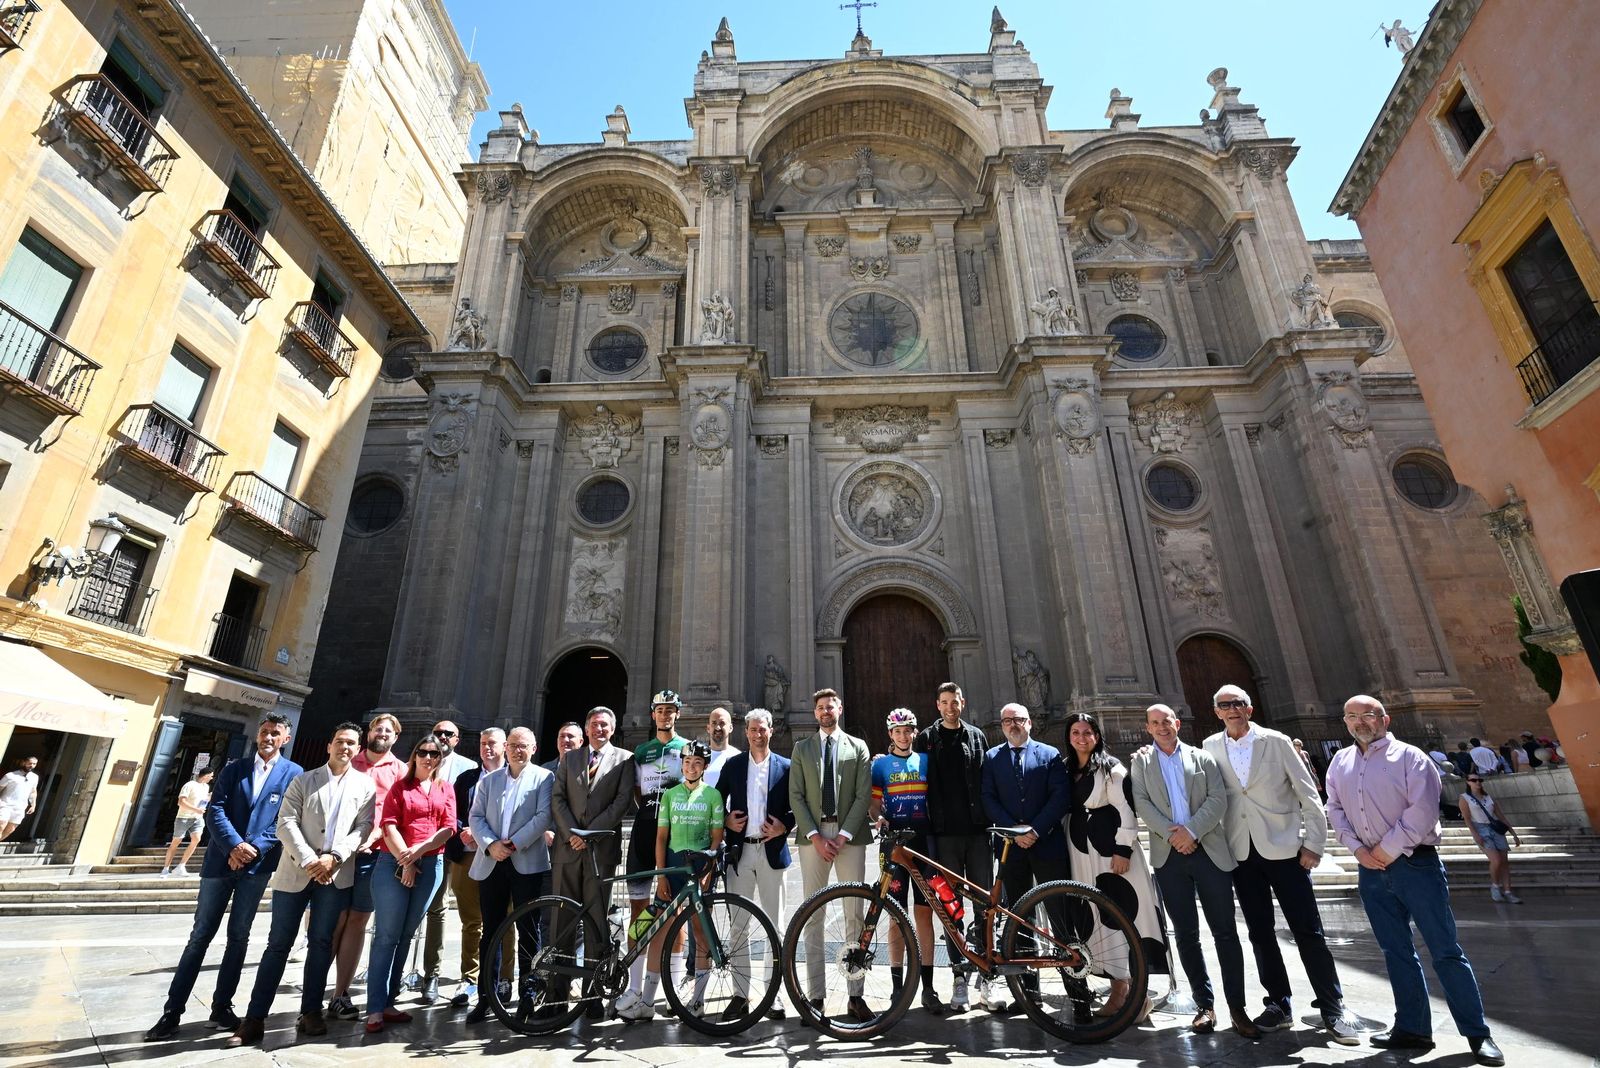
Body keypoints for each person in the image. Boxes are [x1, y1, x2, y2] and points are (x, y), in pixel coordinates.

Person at [1326, 696, 1505, 1066]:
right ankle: (1412, 1027)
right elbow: (1335, 809)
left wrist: (1387, 850)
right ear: (1345, 722)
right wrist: (1358, 851)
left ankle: (1477, 1034)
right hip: (1370, 870)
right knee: (1395, 952)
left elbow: (1423, 810)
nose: (1361, 722)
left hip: (1415, 866)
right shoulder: (1339, 762)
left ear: (1385, 719)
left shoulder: (1410, 757)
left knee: (1445, 950)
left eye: (1368, 715)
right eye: (1353, 716)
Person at [1203, 685, 1360, 1043]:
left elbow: (1308, 794)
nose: (1232, 710)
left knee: (1308, 930)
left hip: (1287, 850)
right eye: (1224, 705)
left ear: (1250, 708)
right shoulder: (1211, 747)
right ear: (1216, 712)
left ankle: (1332, 1005)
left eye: (1237, 704)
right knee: (1260, 933)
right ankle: (1278, 1004)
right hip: (1242, 853)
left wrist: (1314, 844)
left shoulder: (1276, 741)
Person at [144, 713, 302, 1042]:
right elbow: (216, 809)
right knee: (200, 936)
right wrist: (234, 845)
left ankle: (222, 1007)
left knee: (239, 937)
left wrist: (253, 848)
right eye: (264, 732)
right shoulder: (234, 769)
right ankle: (172, 1011)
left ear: (285, 738)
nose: (268, 738)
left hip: (256, 867)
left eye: (275, 733)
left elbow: (285, 818)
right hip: (220, 863)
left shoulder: (294, 774)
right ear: (258, 735)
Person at [226, 723, 376, 1047]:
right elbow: (286, 822)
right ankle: (254, 1019)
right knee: (278, 945)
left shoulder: (366, 786)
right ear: (329, 745)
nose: (345, 747)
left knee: (322, 943)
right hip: (296, 873)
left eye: (351, 743)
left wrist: (334, 857)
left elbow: (364, 827)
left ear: (358, 748)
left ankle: (311, 1011)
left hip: (335, 874)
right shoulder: (304, 780)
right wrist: (310, 860)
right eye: (340, 741)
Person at [1129, 704, 1254, 1037]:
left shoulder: (1203, 758)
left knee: (1225, 932)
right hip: (1169, 856)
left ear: (1177, 723)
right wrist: (1175, 835)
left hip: (1208, 852)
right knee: (1185, 934)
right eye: (1154, 723)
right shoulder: (1140, 762)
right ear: (1148, 728)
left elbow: (1217, 799)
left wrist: (1192, 832)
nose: (1161, 727)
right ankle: (1205, 1006)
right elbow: (1141, 803)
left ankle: (1238, 1009)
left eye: (1166, 721)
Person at [1062, 711, 1164, 1022]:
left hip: (1113, 857)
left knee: (1126, 917)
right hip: (1084, 857)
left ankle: (1138, 994)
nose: (1082, 738)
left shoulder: (1110, 768)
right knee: (1101, 920)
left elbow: (1126, 810)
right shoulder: (1067, 769)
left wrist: (1122, 850)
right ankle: (1120, 989)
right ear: (1069, 737)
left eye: (1088, 732)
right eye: (1076, 732)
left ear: (1097, 736)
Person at [616, 739, 726, 1020]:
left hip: (700, 870)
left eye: (697, 763)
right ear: (682, 765)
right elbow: (661, 838)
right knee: (655, 931)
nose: (691, 767)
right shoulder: (670, 795)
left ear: (705, 766)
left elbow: (716, 838)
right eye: (687, 762)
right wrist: (662, 877)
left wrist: (709, 872)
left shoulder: (712, 796)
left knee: (701, 932)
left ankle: (698, 1001)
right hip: (673, 868)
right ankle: (647, 1002)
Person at [979, 702, 1071, 1015]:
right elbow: (987, 798)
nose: (1013, 725)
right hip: (1011, 849)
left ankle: (1076, 988)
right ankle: (1029, 994)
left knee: (1061, 915)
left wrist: (1035, 828)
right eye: (1007, 721)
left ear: (1029, 722)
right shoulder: (991, 758)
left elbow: (1061, 796)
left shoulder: (1050, 754)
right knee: (1020, 919)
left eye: (1018, 719)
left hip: (1047, 845)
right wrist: (1014, 831)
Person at [789, 687, 873, 1020]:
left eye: (831, 706)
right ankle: (816, 995)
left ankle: (856, 995)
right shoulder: (802, 749)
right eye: (821, 707)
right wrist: (816, 835)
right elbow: (796, 796)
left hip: (849, 837)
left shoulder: (858, 747)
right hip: (813, 838)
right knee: (812, 916)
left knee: (855, 913)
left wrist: (841, 835)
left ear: (840, 708)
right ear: (815, 713)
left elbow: (862, 795)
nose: (826, 711)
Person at [365, 735, 456, 1033]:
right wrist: (407, 861)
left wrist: (419, 852)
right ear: (414, 755)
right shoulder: (400, 787)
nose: (429, 757)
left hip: (430, 865)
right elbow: (388, 824)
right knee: (386, 935)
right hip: (393, 862)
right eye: (424, 752)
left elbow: (449, 828)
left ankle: (390, 1001)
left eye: (435, 754)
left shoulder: (445, 788)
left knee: (405, 935)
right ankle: (375, 1008)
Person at [551, 705, 635, 1019]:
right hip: (568, 851)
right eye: (595, 724)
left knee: (597, 924)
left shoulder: (625, 759)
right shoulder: (569, 758)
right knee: (562, 924)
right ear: (587, 729)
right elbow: (557, 798)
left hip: (600, 852)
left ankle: (592, 996)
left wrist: (589, 834)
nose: (599, 729)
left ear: (612, 730)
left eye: (605, 725)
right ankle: (557, 994)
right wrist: (573, 833)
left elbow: (622, 802)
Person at [465, 727, 554, 1022]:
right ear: (506, 747)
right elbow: (475, 816)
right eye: (513, 745)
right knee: (491, 930)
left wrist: (513, 844)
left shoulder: (544, 778)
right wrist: (491, 845)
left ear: (534, 748)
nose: (518, 750)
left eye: (524, 746)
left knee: (528, 930)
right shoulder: (489, 781)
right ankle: (486, 997)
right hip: (492, 861)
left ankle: (528, 994)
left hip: (525, 861)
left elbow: (544, 817)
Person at [914, 681, 993, 1012]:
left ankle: (989, 979)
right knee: (951, 908)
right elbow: (912, 777)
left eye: (954, 701)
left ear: (962, 702)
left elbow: (986, 781)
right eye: (944, 702)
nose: (950, 707)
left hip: (977, 834)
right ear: (937, 705)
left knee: (985, 906)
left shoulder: (977, 737)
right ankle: (959, 977)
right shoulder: (925, 740)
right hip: (943, 836)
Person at [328, 713, 406, 1020]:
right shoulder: (348, 760)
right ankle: (314, 994)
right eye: (378, 728)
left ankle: (339, 993)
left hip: (373, 855)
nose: (382, 733)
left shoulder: (400, 771)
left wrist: (376, 835)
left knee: (357, 920)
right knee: (332, 922)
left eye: (388, 731)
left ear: (396, 738)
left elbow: (397, 814)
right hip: (334, 854)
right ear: (368, 732)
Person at [717, 708, 793, 1020]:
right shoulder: (733, 765)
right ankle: (740, 995)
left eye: (762, 729)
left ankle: (773, 995)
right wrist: (724, 821)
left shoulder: (786, 767)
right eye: (752, 730)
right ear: (745, 733)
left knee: (775, 925)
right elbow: (715, 801)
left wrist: (784, 827)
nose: (757, 734)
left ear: (771, 731)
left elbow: (796, 806)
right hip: (740, 853)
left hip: (772, 852)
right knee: (738, 927)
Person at [871, 708, 944, 1013]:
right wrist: (878, 819)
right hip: (893, 846)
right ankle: (898, 988)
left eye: (908, 730)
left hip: (923, 844)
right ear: (890, 734)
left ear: (915, 733)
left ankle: (928, 987)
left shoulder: (926, 761)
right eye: (897, 731)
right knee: (895, 917)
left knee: (924, 915)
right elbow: (875, 804)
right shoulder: (881, 766)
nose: (903, 736)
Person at [623, 690, 688, 996]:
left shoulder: (686, 748)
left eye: (670, 710)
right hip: (645, 832)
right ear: (653, 715)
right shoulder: (642, 751)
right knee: (639, 909)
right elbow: (638, 792)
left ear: (678, 714)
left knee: (674, 911)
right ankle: (634, 986)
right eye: (660, 710)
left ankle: (671, 987)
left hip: (675, 834)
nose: (665, 715)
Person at [444, 727, 509, 1008]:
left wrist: (488, 836)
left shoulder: (515, 777)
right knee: (471, 921)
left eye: (492, 743)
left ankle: (504, 979)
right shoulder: (467, 778)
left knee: (508, 922)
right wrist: (462, 830)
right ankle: (470, 978)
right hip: (469, 855)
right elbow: (454, 813)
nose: (487, 748)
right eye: (483, 744)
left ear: (505, 746)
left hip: (503, 856)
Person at [419, 718, 477, 1003]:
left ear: (458, 738)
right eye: (438, 732)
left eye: (448, 733)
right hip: (427, 849)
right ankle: (431, 974)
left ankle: (470, 977)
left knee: (471, 917)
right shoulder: (420, 766)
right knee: (435, 910)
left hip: (459, 849)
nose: (442, 737)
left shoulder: (467, 769)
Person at [1459, 774, 1522, 903]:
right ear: (1468, 782)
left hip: (1495, 829)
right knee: (1496, 860)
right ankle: (1495, 886)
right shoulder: (1465, 798)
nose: (1477, 782)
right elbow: (1467, 819)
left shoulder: (1488, 797)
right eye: (1473, 780)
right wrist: (1475, 834)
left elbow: (1501, 816)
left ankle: (1508, 891)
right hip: (1480, 829)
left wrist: (1513, 833)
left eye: (1479, 780)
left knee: (1504, 862)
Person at [160, 767, 214, 877]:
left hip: (197, 818)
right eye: (211, 776)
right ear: (206, 776)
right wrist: (196, 809)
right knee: (176, 841)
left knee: (196, 839)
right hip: (183, 817)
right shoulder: (189, 785)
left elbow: (201, 801)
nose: (212, 778)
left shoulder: (206, 787)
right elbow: (181, 802)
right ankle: (166, 868)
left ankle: (181, 866)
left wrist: (209, 797)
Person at [0, 755, 39, 842]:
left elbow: (33, 791)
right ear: (24, 763)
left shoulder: (35, 777)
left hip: (20, 807)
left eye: (34, 764)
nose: (31, 765)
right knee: (1, 825)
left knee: (10, 830)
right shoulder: (10, 775)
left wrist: (33, 805)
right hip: (5, 804)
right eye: (29, 763)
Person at [703, 706, 740, 790]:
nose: (718, 727)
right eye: (714, 723)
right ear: (708, 728)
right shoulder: (700, 756)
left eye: (722, 723)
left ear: (730, 728)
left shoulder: (738, 757)